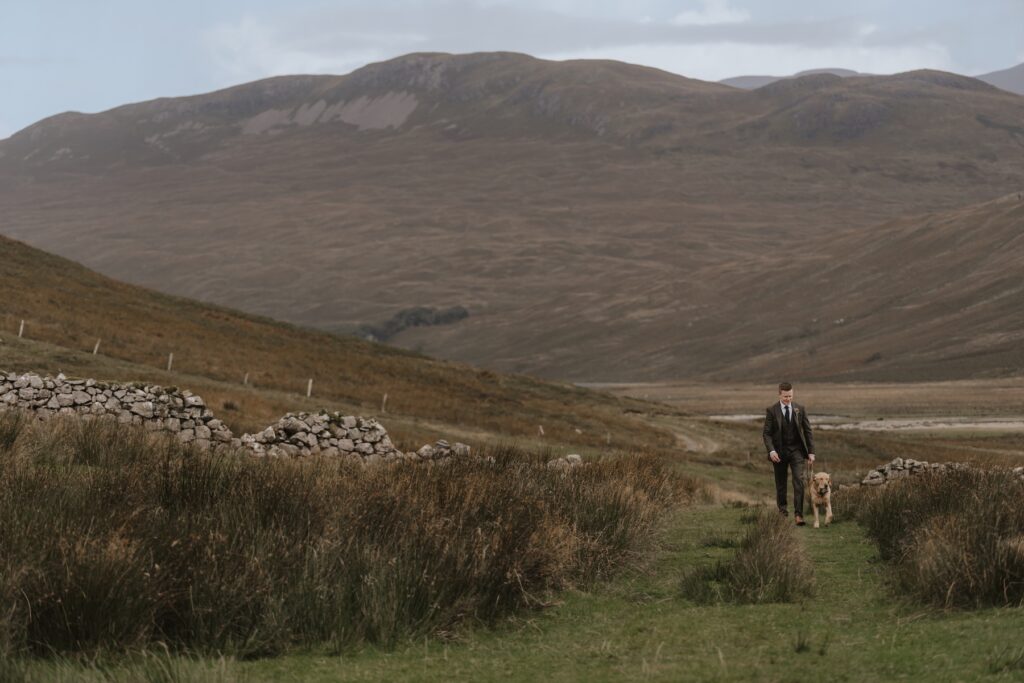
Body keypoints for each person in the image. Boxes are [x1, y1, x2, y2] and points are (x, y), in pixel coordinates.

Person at [762, 382, 815, 526]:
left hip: (797, 451)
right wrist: (771, 451)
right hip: (778, 453)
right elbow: (766, 434)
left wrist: (811, 452)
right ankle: (782, 513)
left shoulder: (800, 409)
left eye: (790, 396)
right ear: (779, 394)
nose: (788, 399)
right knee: (781, 484)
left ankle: (799, 515)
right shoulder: (772, 411)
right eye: (785, 396)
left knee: (798, 481)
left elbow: (808, 431)